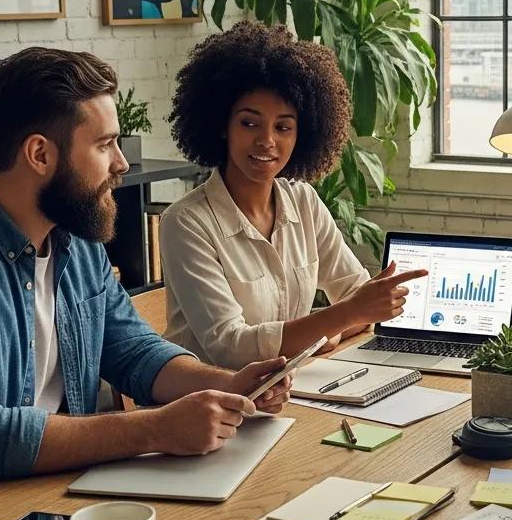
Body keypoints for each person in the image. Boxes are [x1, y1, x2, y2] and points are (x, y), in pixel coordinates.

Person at [0, 47, 293, 520]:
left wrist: (226, 381)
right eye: (107, 144)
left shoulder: (76, 239)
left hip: (54, 499)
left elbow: (131, 348)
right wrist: (152, 429)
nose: (121, 164)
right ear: (40, 154)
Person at [160, 22, 426, 369]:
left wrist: (333, 327)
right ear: (221, 126)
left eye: (283, 127)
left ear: (304, 134)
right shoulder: (186, 223)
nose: (267, 141)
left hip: (291, 394)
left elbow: (358, 301)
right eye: (249, 123)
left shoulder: (304, 201)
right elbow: (229, 348)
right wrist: (339, 319)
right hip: (210, 404)